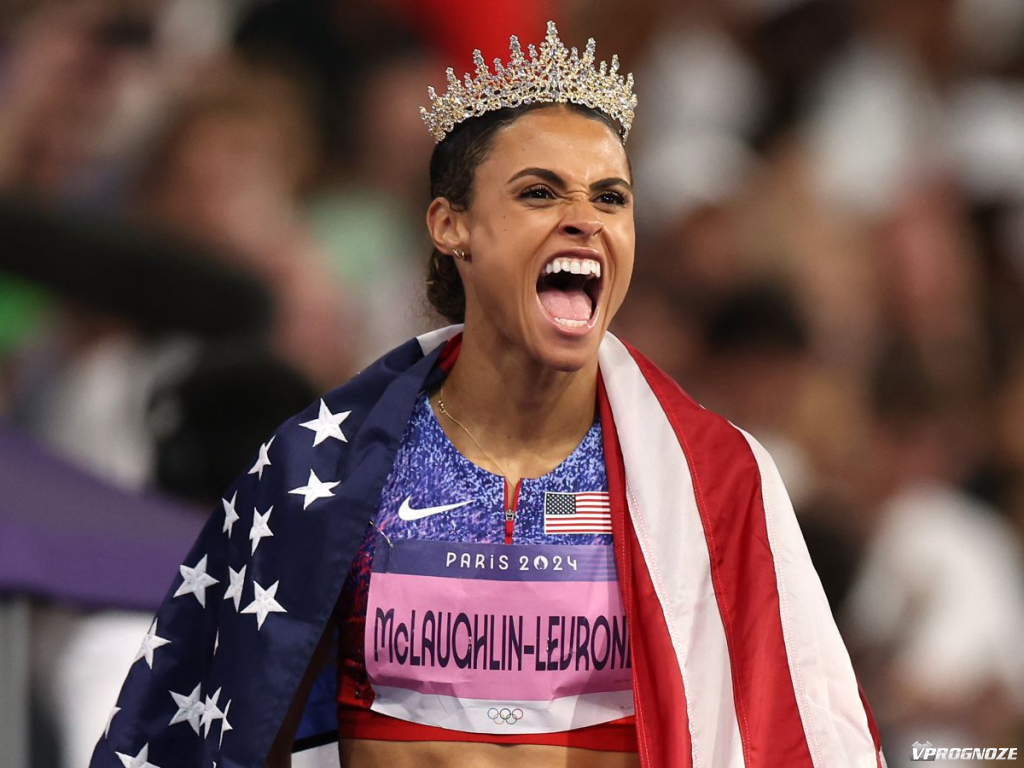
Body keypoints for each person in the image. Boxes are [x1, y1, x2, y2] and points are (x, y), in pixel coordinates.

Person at [90, 22, 885, 768]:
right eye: (540, 193)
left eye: (611, 197)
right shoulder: (323, 469)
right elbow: (227, 726)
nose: (585, 220)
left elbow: (803, 731)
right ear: (451, 226)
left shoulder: (718, 484)